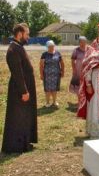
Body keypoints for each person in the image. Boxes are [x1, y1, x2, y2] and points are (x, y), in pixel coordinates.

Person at [1, 23, 37, 153]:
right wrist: (24, 91)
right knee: (18, 118)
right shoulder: (13, 49)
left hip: (23, 89)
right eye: (27, 34)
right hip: (19, 91)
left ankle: (24, 143)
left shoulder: (18, 47)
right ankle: (16, 146)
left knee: (24, 117)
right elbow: (18, 73)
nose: (28, 37)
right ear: (20, 34)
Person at [39, 40, 64, 108]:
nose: (52, 48)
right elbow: (41, 65)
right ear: (47, 47)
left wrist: (62, 72)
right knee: (47, 89)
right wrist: (41, 74)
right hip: (47, 75)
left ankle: (54, 102)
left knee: (55, 88)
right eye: (50, 46)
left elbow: (62, 63)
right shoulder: (44, 54)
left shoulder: (58, 53)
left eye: (52, 46)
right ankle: (47, 102)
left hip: (56, 74)